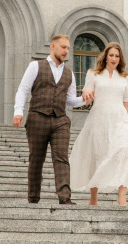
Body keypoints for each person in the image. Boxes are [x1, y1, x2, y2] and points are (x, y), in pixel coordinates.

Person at [13, 34, 92, 205]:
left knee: (62, 157)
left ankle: (65, 197)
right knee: (36, 159)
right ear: (53, 46)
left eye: (68, 48)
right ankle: (33, 198)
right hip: (37, 117)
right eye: (63, 47)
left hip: (60, 120)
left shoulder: (69, 74)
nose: (66, 51)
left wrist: (86, 100)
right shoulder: (36, 66)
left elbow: (70, 101)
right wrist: (18, 112)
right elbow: (23, 90)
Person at [70, 42, 128, 207]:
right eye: (111, 55)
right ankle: (93, 197)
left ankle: (122, 197)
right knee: (97, 155)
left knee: (124, 152)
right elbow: (86, 93)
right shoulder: (94, 74)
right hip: (99, 119)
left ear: (120, 59)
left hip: (121, 120)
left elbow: (126, 103)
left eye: (117, 56)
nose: (114, 58)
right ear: (105, 56)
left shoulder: (124, 77)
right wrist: (85, 92)